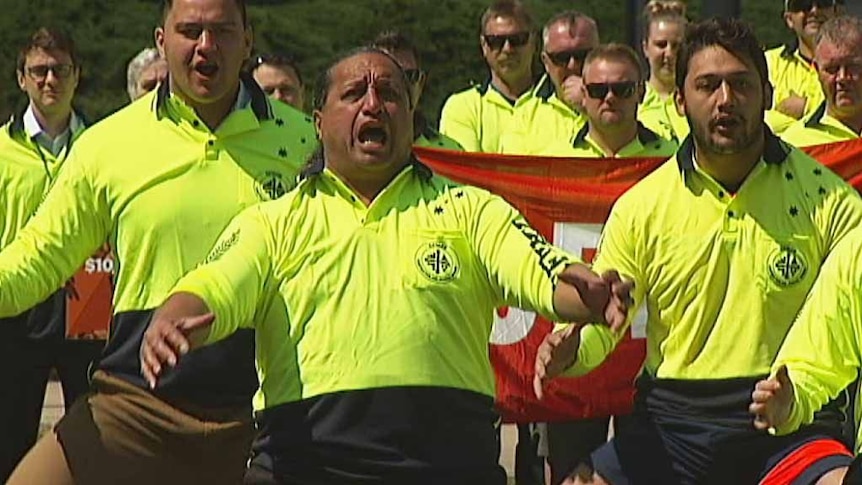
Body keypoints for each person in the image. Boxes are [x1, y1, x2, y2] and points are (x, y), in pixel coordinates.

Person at [139, 46, 633, 485]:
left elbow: (541, 270)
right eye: (354, 93)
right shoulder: (273, 222)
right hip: (303, 466)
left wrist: (585, 295)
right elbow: (217, 284)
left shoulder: (470, 208)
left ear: (410, 113)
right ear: (317, 121)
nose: (373, 104)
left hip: (448, 466)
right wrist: (174, 315)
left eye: (389, 93)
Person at [534, 17, 862, 485]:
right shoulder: (642, 207)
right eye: (708, 85)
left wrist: (796, 398)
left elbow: (845, 338)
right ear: (680, 100)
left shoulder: (832, 203)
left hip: (789, 425)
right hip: (672, 429)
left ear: (767, 96)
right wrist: (575, 349)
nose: (726, 101)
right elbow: (607, 320)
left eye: (741, 85)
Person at [3, 0, 316, 484]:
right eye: (189, 31)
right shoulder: (107, 144)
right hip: (136, 404)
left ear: (248, 41)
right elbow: (38, 258)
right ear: (160, 40)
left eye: (222, 31)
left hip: (264, 410)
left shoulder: (306, 143)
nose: (205, 46)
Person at [0, 27, 103, 483]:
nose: (49, 80)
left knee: (94, 431)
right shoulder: (1, 151)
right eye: (39, 70)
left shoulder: (102, 149)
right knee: (10, 429)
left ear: (77, 76)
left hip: (89, 303)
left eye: (60, 70)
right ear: (21, 78)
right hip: (17, 307)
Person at [540, 43, 677, 158]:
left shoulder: (671, 158)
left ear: (640, 93)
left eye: (622, 89)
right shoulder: (557, 161)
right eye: (598, 90)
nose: (610, 97)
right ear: (584, 95)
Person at [439, 0, 538, 153]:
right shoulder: (462, 107)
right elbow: (465, 171)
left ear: (533, 42)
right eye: (496, 41)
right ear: (484, 46)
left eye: (517, 40)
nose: (507, 49)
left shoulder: (558, 105)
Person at [506, 10, 599, 155]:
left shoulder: (624, 101)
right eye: (561, 57)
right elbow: (514, 172)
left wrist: (592, 102)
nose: (572, 65)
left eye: (583, 55)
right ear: (546, 62)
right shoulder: (524, 117)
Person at [371, 30, 462, 150]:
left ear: (420, 82)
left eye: (409, 75)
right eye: (388, 76)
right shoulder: (350, 154)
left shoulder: (451, 153)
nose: (400, 85)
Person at [782, 15, 862, 146]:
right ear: (816, 69)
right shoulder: (795, 145)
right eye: (832, 69)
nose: (842, 77)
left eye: (853, 67)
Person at [765, 0, 839, 133]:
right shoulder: (769, 62)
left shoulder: (853, 63)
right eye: (802, 5)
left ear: (835, 12)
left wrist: (806, 107)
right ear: (789, 19)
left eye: (823, 3)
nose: (814, 11)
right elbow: (758, 118)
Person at [638, 0, 689, 143]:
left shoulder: (698, 102)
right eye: (661, 44)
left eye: (677, 46)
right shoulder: (632, 103)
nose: (669, 53)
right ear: (645, 48)